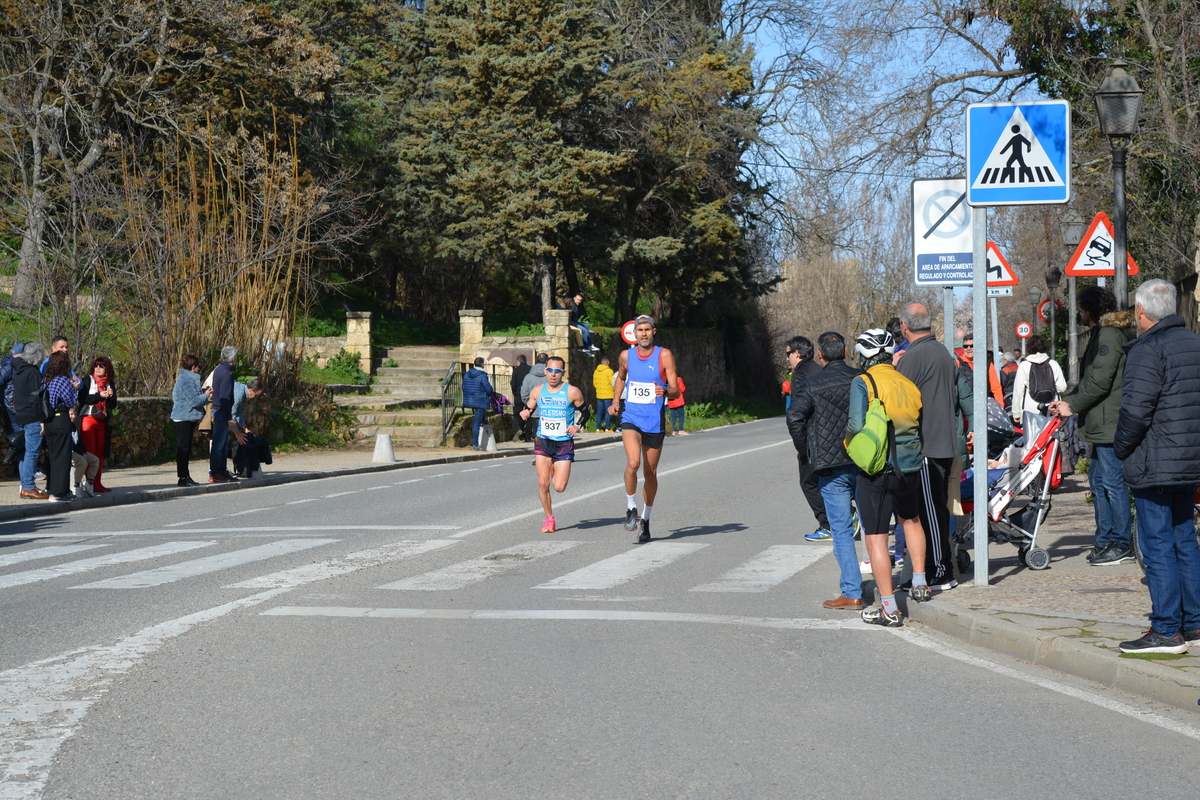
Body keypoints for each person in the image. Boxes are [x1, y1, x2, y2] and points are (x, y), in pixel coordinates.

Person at [1113, 279, 1200, 654]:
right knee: (1185, 539)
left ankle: (1167, 629)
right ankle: (1194, 622)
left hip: (1155, 459)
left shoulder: (1148, 350)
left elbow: (1135, 411)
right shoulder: (1194, 343)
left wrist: (1121, 448)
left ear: (1142, 312)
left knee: (1158, 543)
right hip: (1188, 458)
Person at [846, 329, 931, 627]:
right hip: (910, 467)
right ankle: (920, 583)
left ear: (864, 354)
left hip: (878, 469)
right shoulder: (907, 382)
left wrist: (850, 445)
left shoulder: (863, 382)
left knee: (876, 537)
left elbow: (856, 424)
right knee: (912, 520)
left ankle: (888, 608)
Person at [1049, 287, 1136, 566]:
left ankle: (1121, 543)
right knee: (1100, 481)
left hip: (1110, 422)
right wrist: (1069, 401)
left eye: (1082, 308)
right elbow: (1092, 380)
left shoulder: (1108, 335)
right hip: (1102, 421)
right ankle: (1107, 539)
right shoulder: (1105, 333)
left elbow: (1099, 380)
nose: (1081, 314)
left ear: (1090, 309)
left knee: (1111, 483)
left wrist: (1072, 405)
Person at [790, 331, 865, 610]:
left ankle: (852, 591)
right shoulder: (861, 378)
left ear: (820, 355)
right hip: (864, 460)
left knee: (841, 529)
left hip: (830, 465)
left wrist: (805, 450)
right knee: (874, 526)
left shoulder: (811, 383)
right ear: (845, 351)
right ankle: (885, 586)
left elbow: (794, 416)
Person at [896, 302, 961, 592]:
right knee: (936, 510)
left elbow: (901, 402)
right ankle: (937, 568)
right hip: (943, 442)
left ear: (904, 327)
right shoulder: (943, 352)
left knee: (930, 514)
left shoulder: (915, 356)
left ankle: (940, 572)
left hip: (926, 446)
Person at [610, 315, 679, 544]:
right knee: (633, 463)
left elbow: (676, 390)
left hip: (654, 421)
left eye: (647, 329)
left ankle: (646, 519)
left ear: (654, 331)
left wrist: (665, 391)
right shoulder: (625, 356)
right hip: (631, 417)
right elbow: (620, 379)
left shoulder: (664, 355)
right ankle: (631, 509)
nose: (644, 333)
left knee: (650, 473)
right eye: (640, 330)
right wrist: (616, 400)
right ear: (635, 333)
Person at [520, 356, 589, 532]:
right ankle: (549, 518)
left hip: (563, 443)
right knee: (543, 484)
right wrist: (526, 413)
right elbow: (529, 407)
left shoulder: (572, 392)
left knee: (559, 487)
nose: (553, 374)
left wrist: (577, 425)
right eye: (550, 370)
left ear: (563, 373)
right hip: (543, 441)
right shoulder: (537, 391)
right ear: (545, 371)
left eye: (557, 371)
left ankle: (553, 468)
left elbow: (586, 412)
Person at [784, 336, 830, 540]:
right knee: (829, 478)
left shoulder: (800, 375)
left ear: (797, 353)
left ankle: (828, 524)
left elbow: (798, 412)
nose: (787, 360)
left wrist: (799, 442)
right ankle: (846, 515)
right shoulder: (820, 369)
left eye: (788, 354)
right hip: (830, 432)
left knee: (808, 482)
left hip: (812, 437)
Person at [12, 343, 47, 499]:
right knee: (32, 453)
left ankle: (26, 486)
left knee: (25, 453)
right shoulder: (33, 372)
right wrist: (42, 419)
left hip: (20, 414)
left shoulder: (19, 370)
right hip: (32, 416)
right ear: (37, 356)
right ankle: (28, 487)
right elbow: (36, 398)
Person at [77, 356, 118, 493]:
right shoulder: (88, 380)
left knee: (100, 453)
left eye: (101, 366)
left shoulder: (109, 383)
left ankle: (97, 483)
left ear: (107, 368)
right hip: (88, 419)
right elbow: (83, 399)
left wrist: (111, 396)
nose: (98, 368)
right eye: (96, 365)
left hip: (103, 421)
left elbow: (113, 405)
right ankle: (89, 482)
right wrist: (101, 395)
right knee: (90, 453)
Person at [171, 354, 212, 487]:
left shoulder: (188, 379)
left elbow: (194, 396)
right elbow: (194, 401)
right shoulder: (186, 380)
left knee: (186, 448)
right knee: (183, 449)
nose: (200, 369)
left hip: (186, 418)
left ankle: (185, 476)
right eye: (199, 367)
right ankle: (183, 478)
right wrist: (206, 395)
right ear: (193, 367)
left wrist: (204, 392)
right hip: (183, 418)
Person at [42, 351, 77, 503]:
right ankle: (59, 492)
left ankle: (52, 489)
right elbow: (70, 402)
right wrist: (74, 387)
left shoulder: (46, 380)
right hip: (61, 418)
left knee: (52, 455)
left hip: (48, 420)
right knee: (63, 456)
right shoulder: (63, 380)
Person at [1011, 334, 1066, 423]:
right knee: (1051, 435)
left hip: (1030, 410)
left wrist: (1016, 413)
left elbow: (1018, 391)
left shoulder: (1024, 365)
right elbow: (1062, 387)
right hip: (1052, 409)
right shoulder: (1053, 363)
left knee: (1032, 436)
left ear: (1029, 348)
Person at [209, 345, 238, 483]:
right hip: (221, 411)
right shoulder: (227, 373)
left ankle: (221, 470)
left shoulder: (219, 369)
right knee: (220, 444)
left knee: (222, 443)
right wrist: (229, 419)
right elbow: (225, 398)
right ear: (232, 358)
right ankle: (216, 472)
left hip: (218, 409)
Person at [957, 332, 1005, 406]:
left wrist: (1000, 408)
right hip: (963, 407)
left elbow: (996, 388)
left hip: (983, 406)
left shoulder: (987, 364)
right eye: (965, 346)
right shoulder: (958, 363)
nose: (968, 349)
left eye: (971, 346)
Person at [462, 357, 495, 451]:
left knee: (479, 419)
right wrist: (491, 394)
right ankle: (475, 445)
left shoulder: (467, 374)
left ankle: (484, 420)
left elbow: (463, 387)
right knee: (476, 423)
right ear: (482, 365)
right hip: (480, 400)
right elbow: (488, 389)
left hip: (469, 399)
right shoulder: (482, 375)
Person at [68, 407, 99, 497]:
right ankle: (76, 485)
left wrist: (84, 452)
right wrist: (81, 453)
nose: (73, 417)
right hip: (70, 452)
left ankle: (89, 482)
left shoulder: (74, 426)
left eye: (74, 414)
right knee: (82, 462)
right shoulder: (65, 427)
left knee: (95, 460)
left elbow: (78, 442)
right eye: (71, 414)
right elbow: (71, 444)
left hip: (79, 451)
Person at [521, 353, 549, 442]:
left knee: (539, 439)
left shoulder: (528, 377)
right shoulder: (552, 377)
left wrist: (530, 404)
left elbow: (524, 394)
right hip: (550, 411)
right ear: (547, 361)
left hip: (535, 412)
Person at [511, 355, 532, 440]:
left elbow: (513, 384)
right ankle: (528, 436)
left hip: (519, 394)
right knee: (529, 413)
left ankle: (518, 428)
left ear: (518, 362)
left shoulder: (516, 370)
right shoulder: (530, 369)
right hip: (530, 395)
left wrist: (515, 393)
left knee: (517, 413)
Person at [592, 355, 615, 432]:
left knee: (599, 412)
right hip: (608, 395)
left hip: (599, 395)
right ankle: (608, 428)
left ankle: (598, 428)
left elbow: (594, 383)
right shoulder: (610, 371)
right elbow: (612, 383)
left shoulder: (596, 371)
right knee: (608, 412)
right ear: (608, 363)